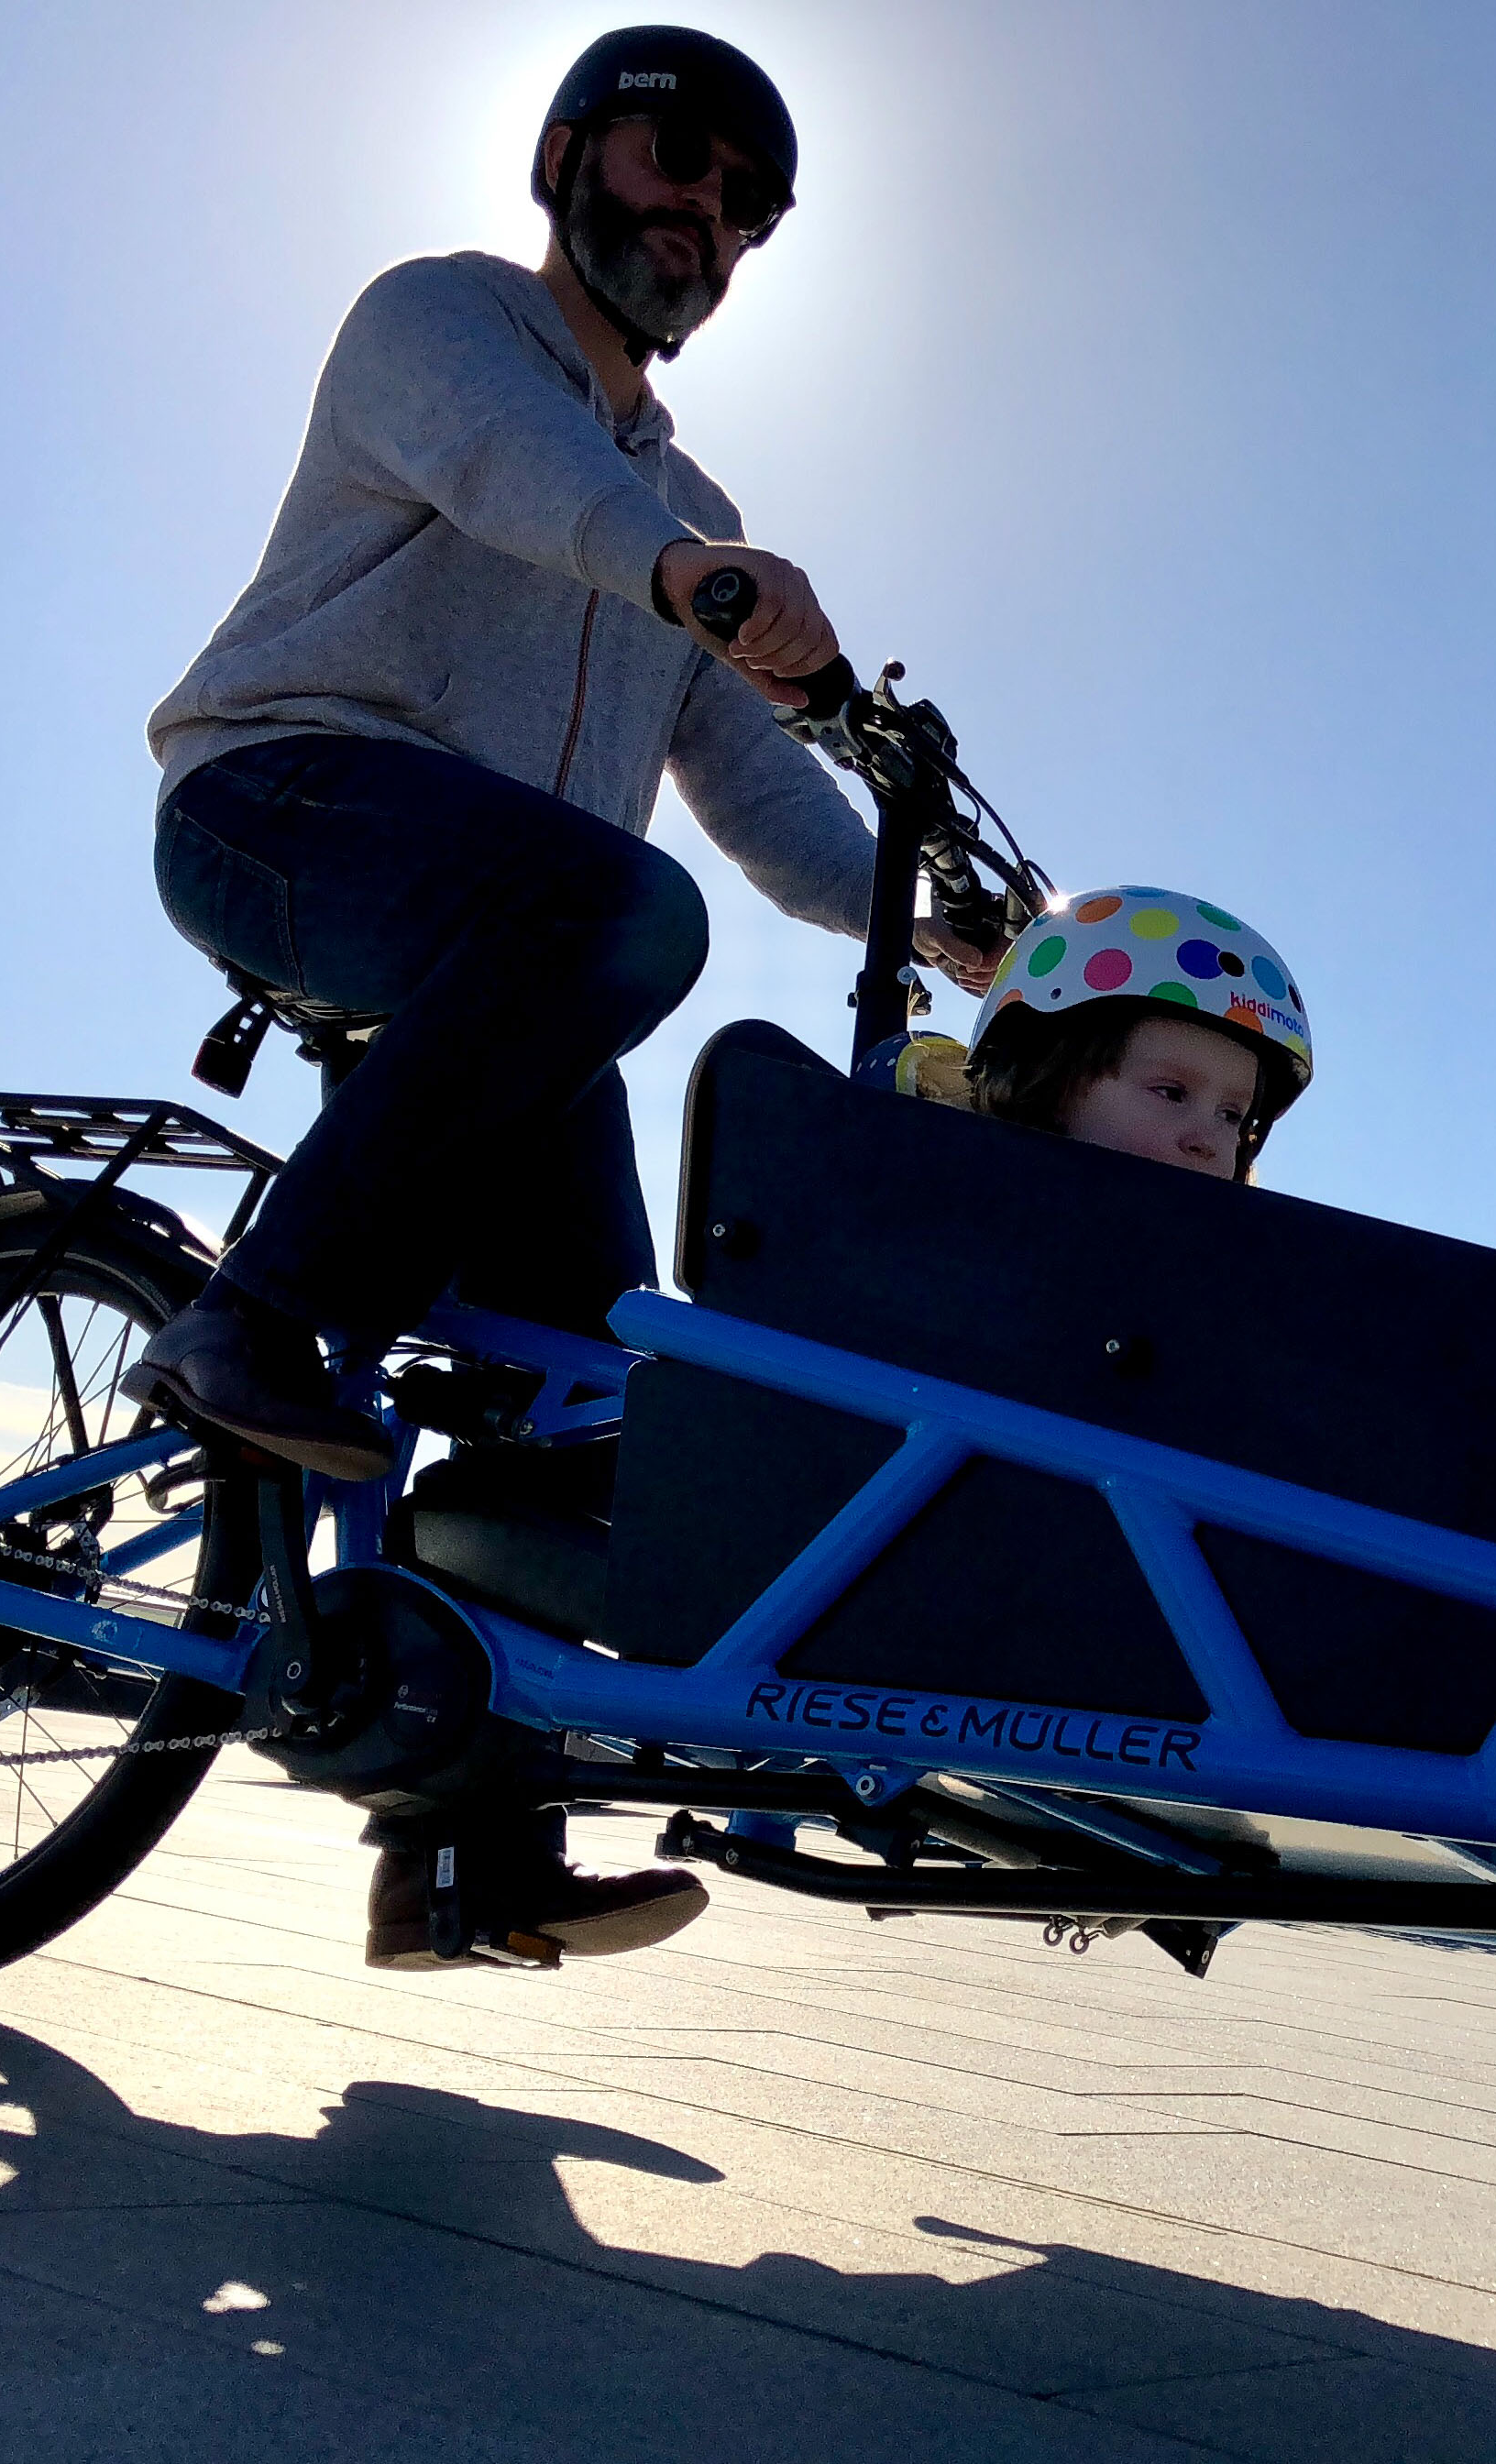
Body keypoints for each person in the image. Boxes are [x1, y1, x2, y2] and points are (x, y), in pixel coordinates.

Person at [124, 25, 989, 1974]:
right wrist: (692, 570)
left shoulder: (680, 505)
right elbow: (520, 485)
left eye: (748, 211)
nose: (706, 219)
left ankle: (460, 1852)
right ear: (572, 153)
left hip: (512, 945)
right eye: (681, 162)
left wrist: (954, 943)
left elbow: (766, 800)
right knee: (624, 918)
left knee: (587, 1390)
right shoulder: (440, 328)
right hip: (281, 803)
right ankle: (246, 1319)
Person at [872, 886, 1314, 1181]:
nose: (1208, 1143)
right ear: (1042, 1082)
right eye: (1172, 1093)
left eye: (1231, 1116)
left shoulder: (1230, 1282)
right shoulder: (927, 1200)